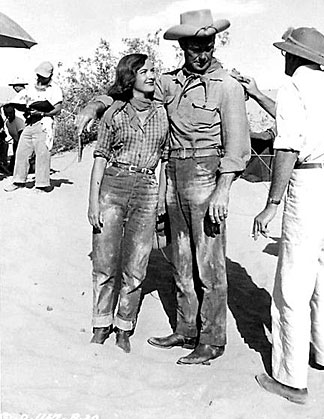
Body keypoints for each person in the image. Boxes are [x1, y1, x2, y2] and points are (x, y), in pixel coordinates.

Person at [76, 9, 250, 365]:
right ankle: (186, 329)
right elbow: (124, 91)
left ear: (214, 44)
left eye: (207, 46)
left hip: (206, 173)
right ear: (183, 47)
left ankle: (212, 339)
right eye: (193, 47)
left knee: (210, 263)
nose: (201, 54)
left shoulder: (228, 86)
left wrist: (223, 189)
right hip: (172, 174)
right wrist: (94, 105)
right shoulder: (170, 82)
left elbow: (238, 147)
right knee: (180, 257)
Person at [247, 27, 324, 404]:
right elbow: (300, 125)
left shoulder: (293, 87)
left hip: (312, 188)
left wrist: (272, 203)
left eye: (285, 52)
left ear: (293, 56)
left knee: (292, 288)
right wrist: (259, 95)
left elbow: (287, 146)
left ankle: (291, 379)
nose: (283, 58)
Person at [88, 53, 169, 353]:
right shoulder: (114, 114)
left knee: (136, 266)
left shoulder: (163, 114)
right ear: (129, 77)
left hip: (147, 188)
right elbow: (100, 157)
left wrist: (160, 197)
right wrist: (93, 202)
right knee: (105, 261)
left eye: (152, 70)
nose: (151, 76)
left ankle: (124, 326)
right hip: (113, 185)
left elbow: (168, 160)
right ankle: (100, 325)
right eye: (144, 71)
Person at [4, 61, 63, 192]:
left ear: (50, 76)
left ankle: (42, 184)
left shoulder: (55, 89)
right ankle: (18, 181)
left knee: (42, 153)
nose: (40, 79)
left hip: (44, 123)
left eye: (43, 76)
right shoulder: (31, 88)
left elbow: (58, 109)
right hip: (30, 122)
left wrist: (43, 112)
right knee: (22, 152)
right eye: (39, 76)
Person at [3, 104, 25, 172]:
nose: (11, 114)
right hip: (15, 143)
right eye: (8, 113)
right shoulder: (7, 123)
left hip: (22, 144)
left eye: (12, 112)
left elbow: (22, 136)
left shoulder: (18, 121)